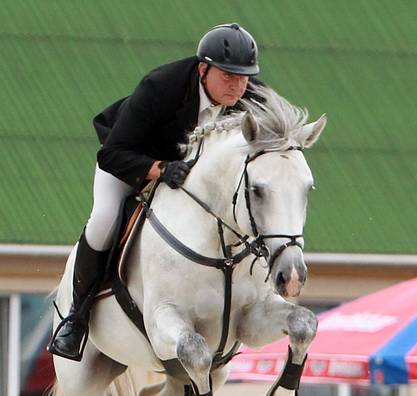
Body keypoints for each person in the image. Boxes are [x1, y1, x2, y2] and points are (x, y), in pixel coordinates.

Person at [48, 23, 260, 361]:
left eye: (244, 78)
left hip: (190, 178)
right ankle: (77, 317)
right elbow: (111, 154)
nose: (237, 86)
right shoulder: (161, 87)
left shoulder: (250, 95)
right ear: (202, 69)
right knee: (103, 221)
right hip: (134, 162)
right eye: (228, 76)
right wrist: (159, 169)